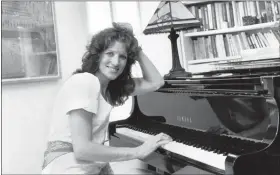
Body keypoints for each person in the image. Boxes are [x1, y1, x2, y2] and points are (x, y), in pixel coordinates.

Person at [41, 22, 172, 174]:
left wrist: (134, 45)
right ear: (97, 56)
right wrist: (139, 151)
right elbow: (82, 149)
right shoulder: (85, 81)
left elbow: (156, 82)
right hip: (66, 168)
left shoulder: (111, 88)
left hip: (89, 167)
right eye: (110, 53)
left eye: (122, 56)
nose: (116, 62)